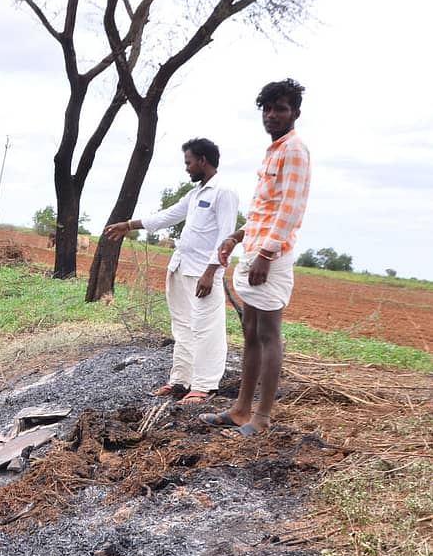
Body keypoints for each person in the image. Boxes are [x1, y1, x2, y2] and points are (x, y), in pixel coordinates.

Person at [200, 78, 311, 438]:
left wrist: (265, 253)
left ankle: (261, 417)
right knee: (250, 332)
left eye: (280, 108)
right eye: (268, 108)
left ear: (295, 112)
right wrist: (238, 236)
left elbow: (290, 210)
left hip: (271, 257)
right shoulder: (274, 150)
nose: (273, 114)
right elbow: (264, 210)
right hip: (255, 249)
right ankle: (240, 410)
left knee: (268, 335)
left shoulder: (294, 149)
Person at [105, 138, 239, 405]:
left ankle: (204, 386)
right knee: (183, 328)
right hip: (181, 268)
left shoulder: (224, 192)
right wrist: (128, 224)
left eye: (189, 162)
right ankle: (180, 381)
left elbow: (226, 236)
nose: (186, 168)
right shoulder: (195, 194)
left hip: (203, 274)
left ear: (202, 160)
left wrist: (211, 272)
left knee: (206, 329)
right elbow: (167, 216)